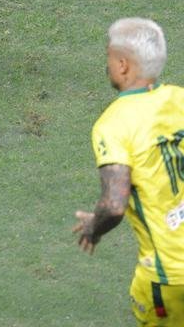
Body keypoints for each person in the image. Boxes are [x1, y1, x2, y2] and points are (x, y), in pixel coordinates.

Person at [73, 18, 184, 325]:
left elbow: (113, 205)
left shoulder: (113, 124)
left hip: (170, 275)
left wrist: (94, 227)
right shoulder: (180, 98)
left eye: (108, 57)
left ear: (123, 65)